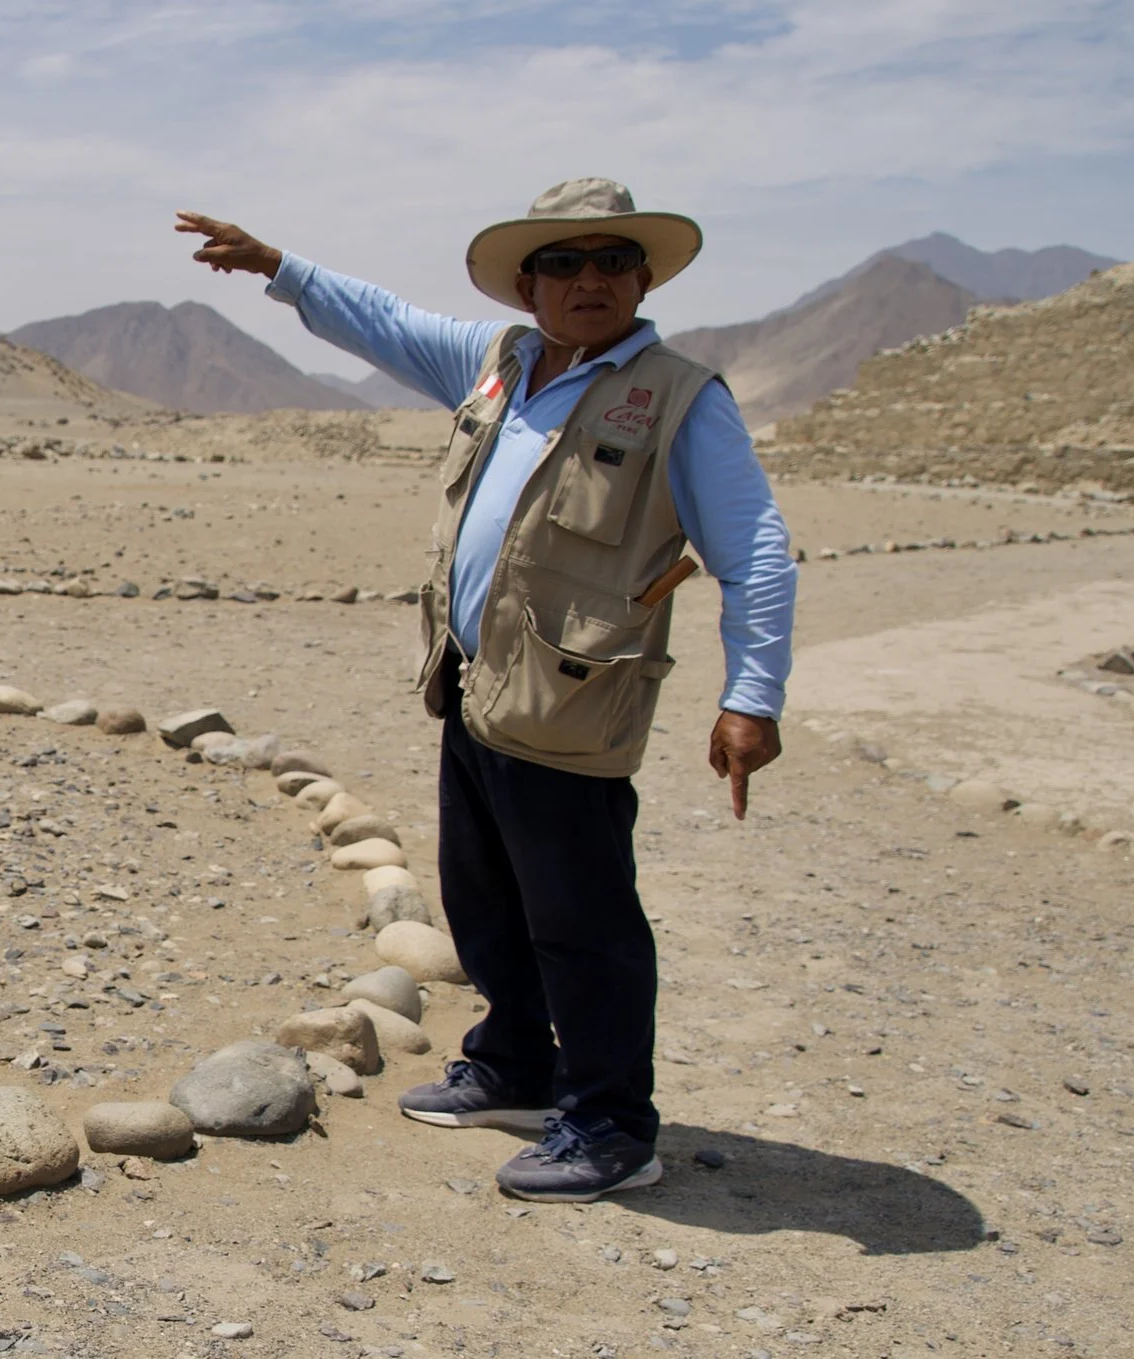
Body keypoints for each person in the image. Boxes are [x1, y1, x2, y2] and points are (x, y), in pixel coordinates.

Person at [176, 179, 796, 1202]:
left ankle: (610, 1127)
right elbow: (387, 323)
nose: (587, 279)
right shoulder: (502, 363)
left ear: (643, 279)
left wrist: (752, 695)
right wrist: (279, 269)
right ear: (527, 284)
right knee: (484, 896)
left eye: (610, 261)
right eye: (562, 262)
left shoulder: (681, 399)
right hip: (475, 681)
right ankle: (519, 1065)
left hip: (573, 697)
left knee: (581, 917)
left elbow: (757, 552)